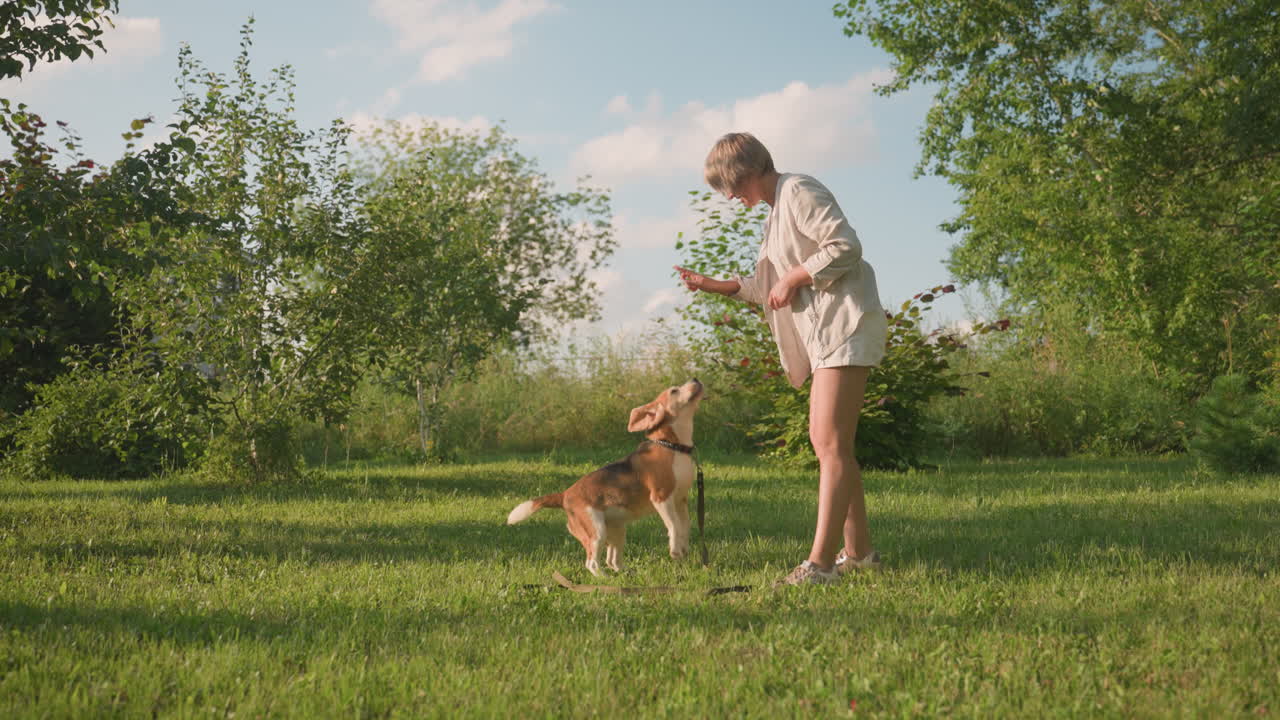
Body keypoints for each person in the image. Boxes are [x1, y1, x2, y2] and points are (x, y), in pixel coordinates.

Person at [674, 132, 888, 586]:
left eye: (729, 186)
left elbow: (845, 246)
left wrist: (793, 277)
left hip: (846, 325)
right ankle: (860, 554)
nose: (730, 197)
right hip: (826, 336)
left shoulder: (799, 190)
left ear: (747, 171)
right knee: (833, 446)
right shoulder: (776, 214)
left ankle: (820, 565)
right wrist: (709, 284)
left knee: (827, 442)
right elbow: (761, 287)